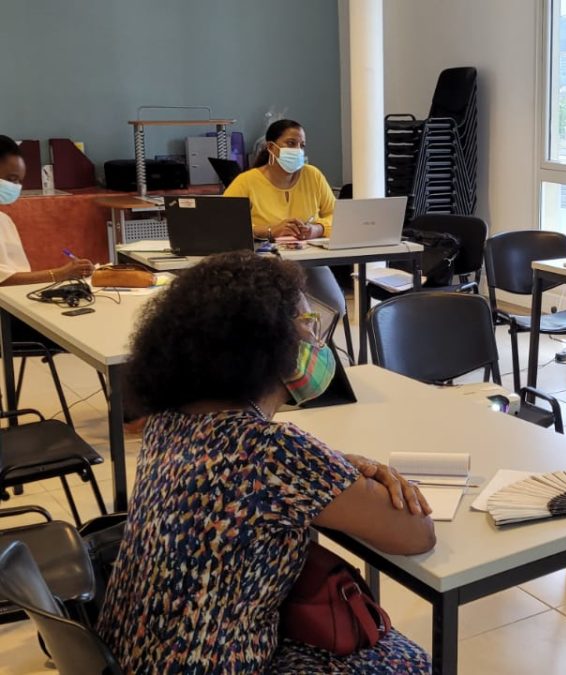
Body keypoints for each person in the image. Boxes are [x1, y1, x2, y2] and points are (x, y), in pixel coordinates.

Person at [96, 251, 435, 672]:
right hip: (214, 664)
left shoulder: (167, 423)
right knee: (405, 661)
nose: (317, 342)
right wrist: (371, 478)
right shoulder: (272, 451)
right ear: (271, 343)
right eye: (309, 327)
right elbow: (417, 536)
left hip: (134, 657)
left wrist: (331, 467)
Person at [224, 119, 345, 318]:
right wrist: (270, 231)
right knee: (288, 312)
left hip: (309, 260)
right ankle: (291, 345)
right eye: (291, 143)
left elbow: (337, 215)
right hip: (264, 263)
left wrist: (317, 228)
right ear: (271, 147)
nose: (298, 150)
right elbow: (226, 224)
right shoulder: (247, 181)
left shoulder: (313, 176)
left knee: (335, 308)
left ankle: (311, 347)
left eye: (302, 145)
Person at [0, 135, 94, 285]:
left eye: (19, 181)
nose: (16, 187)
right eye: (11, 179)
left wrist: (70, 272)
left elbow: (18, 273)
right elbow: (4, 280)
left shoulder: (4, 220)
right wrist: (62, 273)